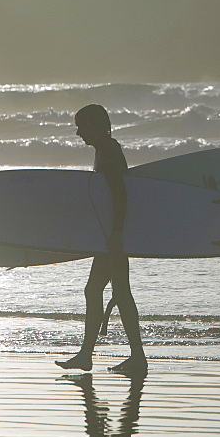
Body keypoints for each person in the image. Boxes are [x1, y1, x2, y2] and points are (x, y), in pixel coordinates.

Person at [56, 104, 147, 374]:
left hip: (113, 236)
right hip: (109, 234)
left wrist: (117, 234)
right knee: (109, 291)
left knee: (115, 292)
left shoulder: (108, 152)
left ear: (96, 126)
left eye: (81, 127)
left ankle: (132, 358)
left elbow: (120, 195)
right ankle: (101, 355)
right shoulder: (106, 149)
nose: (78, 133)